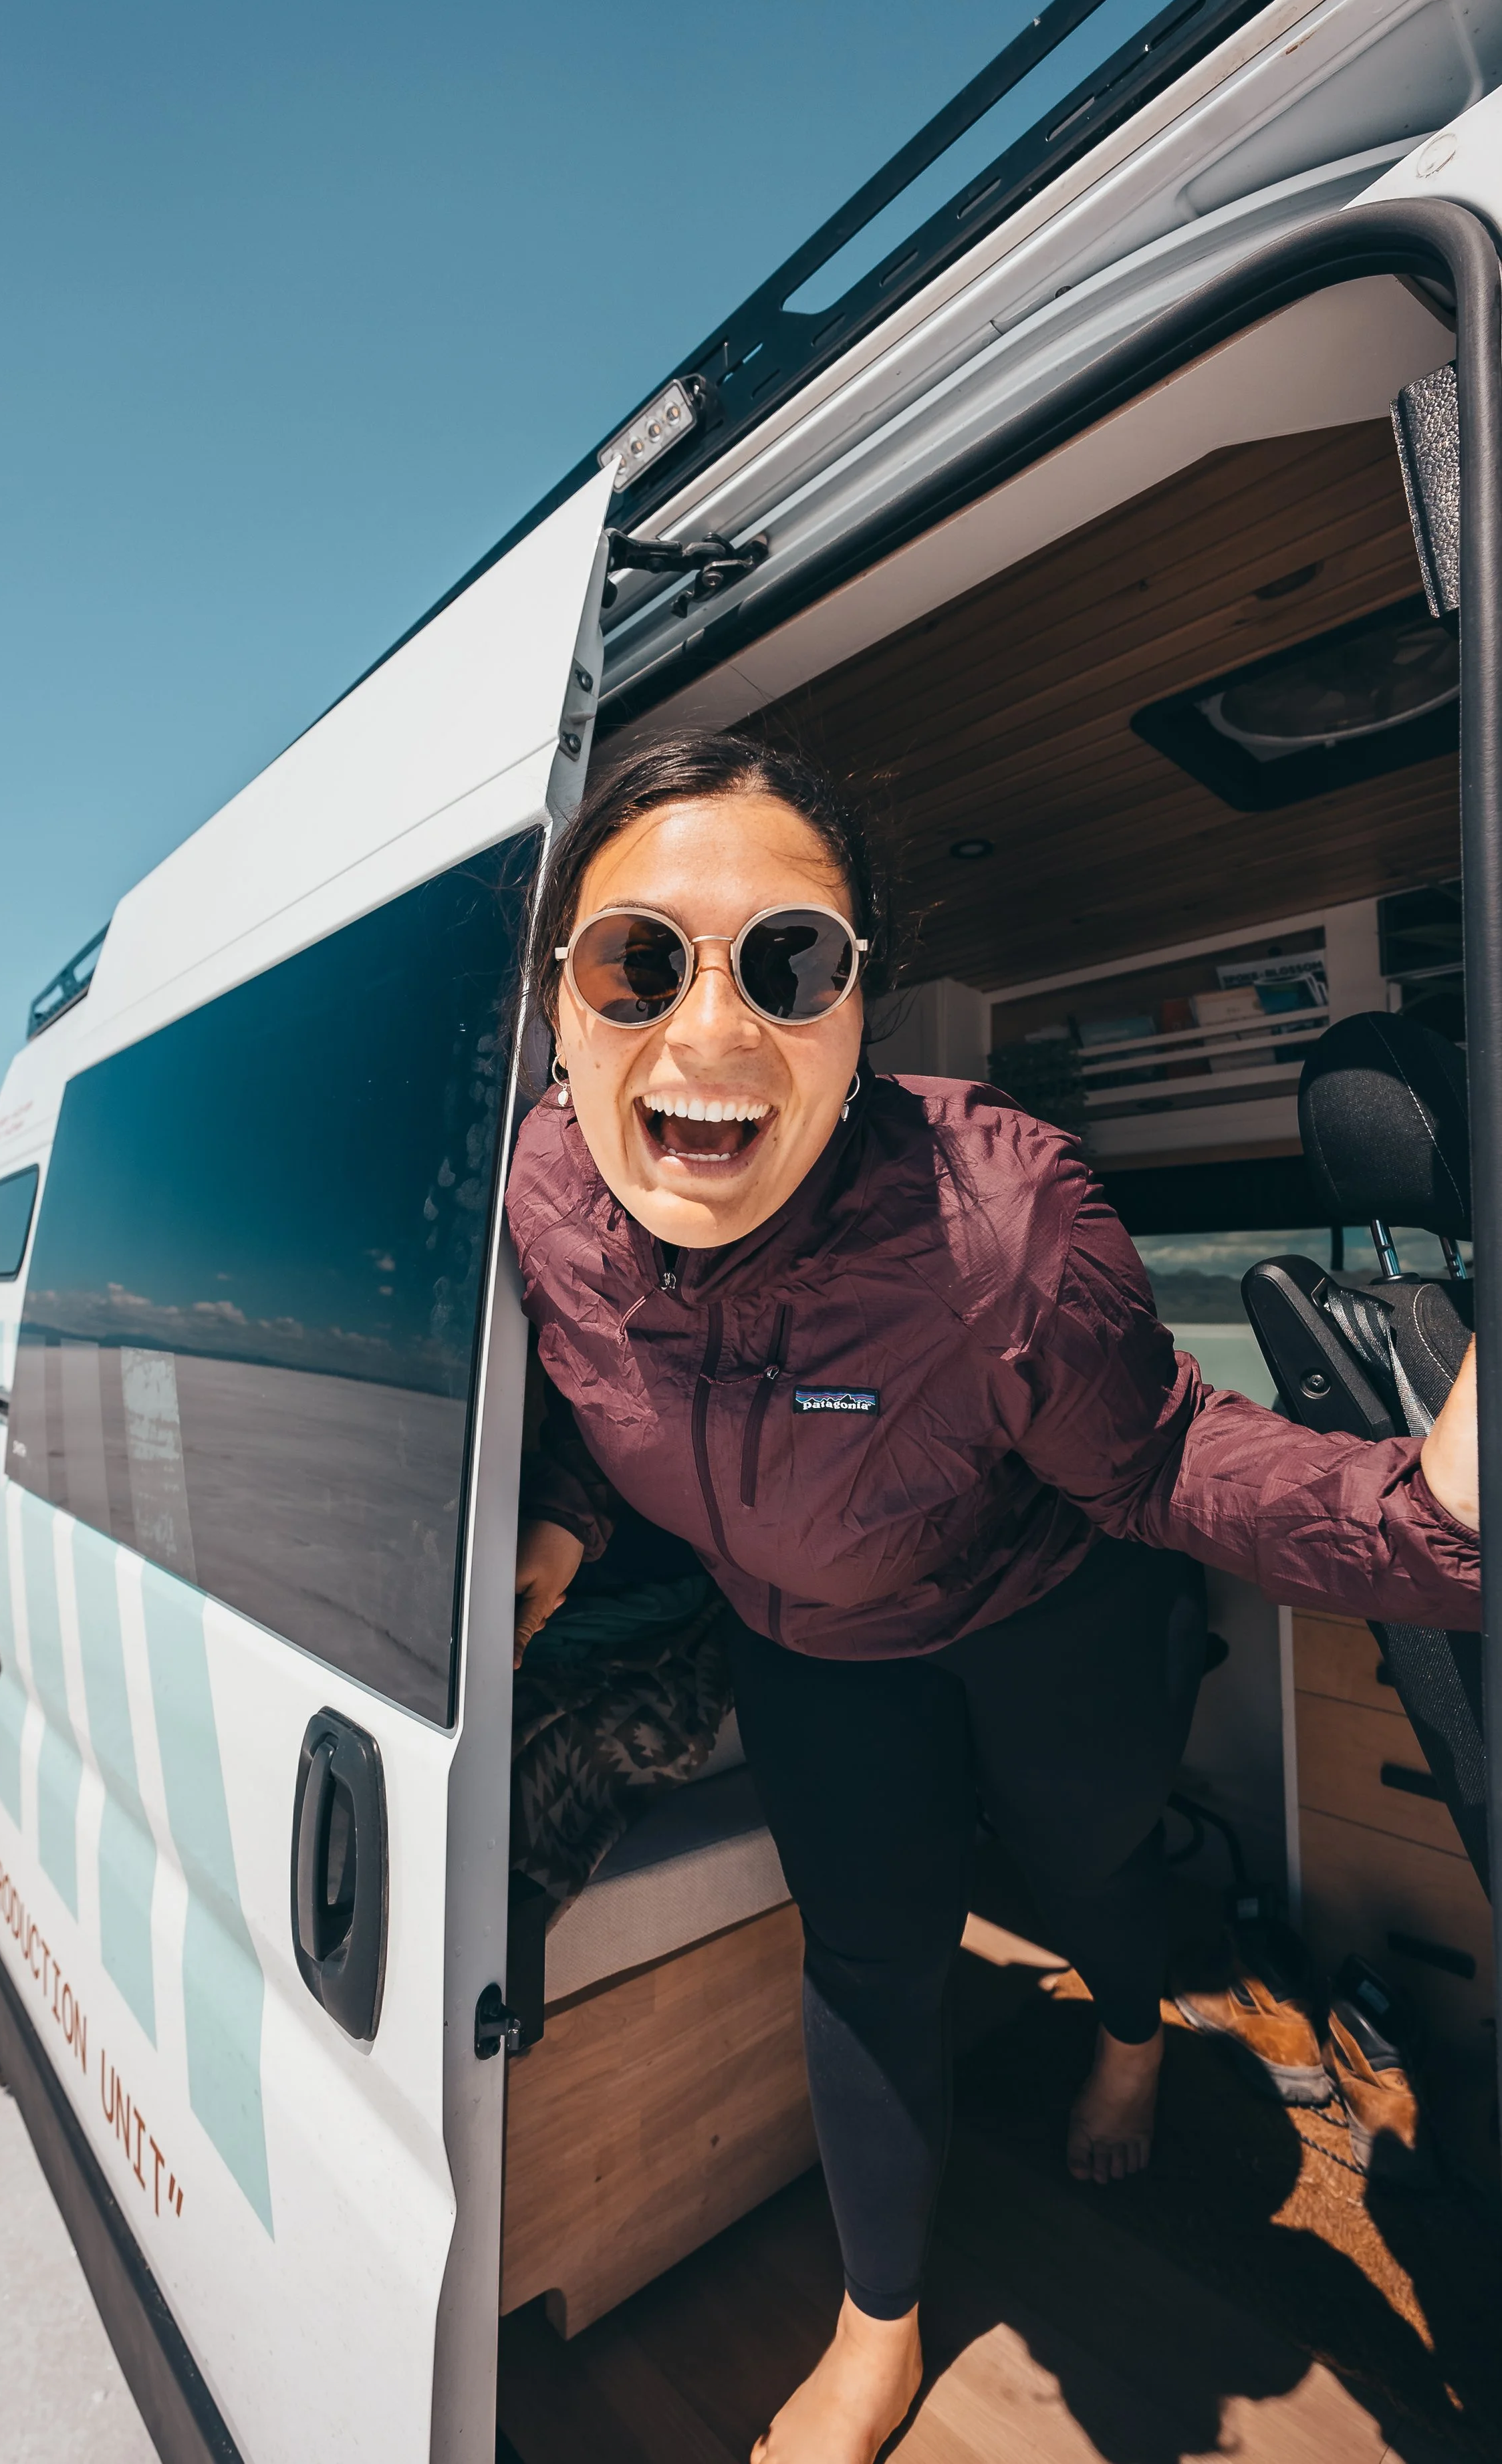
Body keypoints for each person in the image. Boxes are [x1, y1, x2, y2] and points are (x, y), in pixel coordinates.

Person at [505, 732, 1481, 2464]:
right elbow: (601, 1401)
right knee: (868, 1955)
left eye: (786, 960)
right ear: (561, 999)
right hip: (812, 1648)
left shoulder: (996, 1218)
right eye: (636, 959)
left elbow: (1167, 1461)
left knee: (1090, 1865)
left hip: (1046, 1609)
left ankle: (1127, 2025)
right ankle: (878, 2324)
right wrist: (563, 1537)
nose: (710, 1034)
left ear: (861, 1002)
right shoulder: (543, 1203)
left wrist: (1428, 1523)